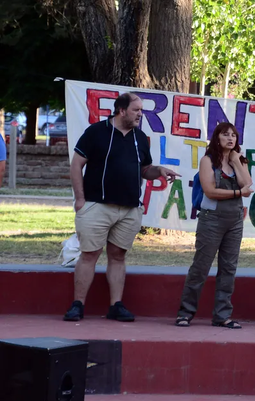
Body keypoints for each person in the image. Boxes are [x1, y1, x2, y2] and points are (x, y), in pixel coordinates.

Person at [64, 93, 180, 322]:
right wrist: (80, 198)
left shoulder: (140, 137)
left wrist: (160, 171)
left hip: (129, 210)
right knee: (89, 255)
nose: (140, 114)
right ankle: (78, 304)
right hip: (97, 205)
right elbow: (76, 165)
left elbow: (145, 170)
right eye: (136, 110)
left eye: (141, 110)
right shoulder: (95, 132)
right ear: (121, 110)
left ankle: (115, 306)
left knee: (118, 256)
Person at [175, 122, 253, 329]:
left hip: (235, 220)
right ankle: (185, 313)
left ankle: (222, 315)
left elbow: (248, 185)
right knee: (201, 267)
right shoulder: (207, 160)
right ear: (217, 138)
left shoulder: (240, 160)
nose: (230, 138)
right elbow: (210, 191)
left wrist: (236, 161)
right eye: (225, 134)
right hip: (211, 219)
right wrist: (237, 193)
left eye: (233, 135)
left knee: (228, 268)